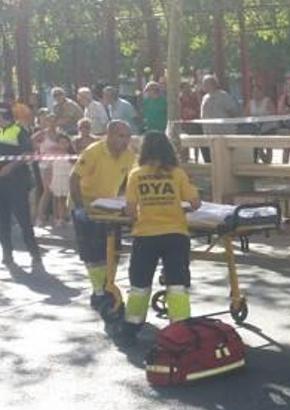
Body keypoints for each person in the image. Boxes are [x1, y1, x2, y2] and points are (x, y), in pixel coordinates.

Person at [117, 131, 201, 346]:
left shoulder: (136, 175)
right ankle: (180, 327)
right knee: (177, 283)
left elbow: (130, 209)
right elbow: (194, 203)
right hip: (175, 235)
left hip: (146, 236)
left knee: (140, 283)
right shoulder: (177, 173)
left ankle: (132, 326)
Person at [69, 121, 136, 314]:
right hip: (86, 203)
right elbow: (74, 179)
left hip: (109, 206)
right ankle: (99, 291)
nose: (125, 141)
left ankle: (107, 285)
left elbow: (134, 180)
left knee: (112, 250)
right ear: (109, 135)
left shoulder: (129, 155)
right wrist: (81, 209)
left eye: (127, 137)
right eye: (120, 136)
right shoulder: (94, 152)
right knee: (93, 253)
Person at [0, 103, 41, 269]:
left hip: (17, 182)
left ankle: (34, 252)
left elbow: (27, 154)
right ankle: (7, 253)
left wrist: (9, 167)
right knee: (2, 220)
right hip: (1, 183)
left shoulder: (18, 130)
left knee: (23, 219)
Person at [199, 75, 240, 162]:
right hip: (210, 133)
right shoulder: (205, 98)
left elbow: (233, 111)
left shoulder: (224, 96)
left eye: (205, 83)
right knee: (213, 158)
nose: (203, 86)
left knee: (226, 158)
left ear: (212, 84)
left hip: (224, 132)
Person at [31, 113, 62, 227]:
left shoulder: (60, 134)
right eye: (50, 120)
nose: (52, 123)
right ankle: (40, 217)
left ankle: (56, 217)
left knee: (56, 192)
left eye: (54, 120)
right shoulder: (42, 134)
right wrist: (38, 150)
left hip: (58, 164)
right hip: (45, 165)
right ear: (46, 122)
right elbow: (31, 140)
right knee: (47, 191)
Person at [49, 133, 74, 227]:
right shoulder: (54, 154)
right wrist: (50, 180)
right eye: (61, 143)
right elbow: (50, 167)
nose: (63, 144)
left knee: (70, 200)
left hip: (68, 179)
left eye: (65, 142)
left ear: (69, 143)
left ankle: (70, 217)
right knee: (60, 200)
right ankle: (60, 218)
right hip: (58, 179)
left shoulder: (72, 155)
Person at [246, 85, 276, 164]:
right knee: (258, 147)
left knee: (268, 146)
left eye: (257, 91)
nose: (255, 93)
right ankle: (261, 159)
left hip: (268, 127)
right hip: (255, 128)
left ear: (261, 92)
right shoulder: (250, 103)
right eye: (254, 92)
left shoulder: (268, 101)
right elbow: (246, 115)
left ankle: (268, 162)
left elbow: (274, 113)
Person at [179, 81, 203, 161]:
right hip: (184, 122)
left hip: (194, 122)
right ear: (181, 89)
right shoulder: (180, 99)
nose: (187, 89)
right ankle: (185, 158)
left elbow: (199, 106)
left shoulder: (194, 97)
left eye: (188, 87)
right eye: (185, 87)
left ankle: (196, 158)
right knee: (185, 141)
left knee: (196, 140)